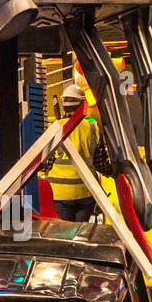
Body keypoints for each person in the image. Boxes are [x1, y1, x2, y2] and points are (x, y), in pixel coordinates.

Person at [43, 83, 100, 223]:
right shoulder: (92, 126)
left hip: (60, 194)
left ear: (64, 106)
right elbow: (100, 161)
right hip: (86, 192)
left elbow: (46, 163)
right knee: (81, 233)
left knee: (64, 235)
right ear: (83, 105)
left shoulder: (55, 128)